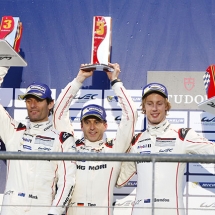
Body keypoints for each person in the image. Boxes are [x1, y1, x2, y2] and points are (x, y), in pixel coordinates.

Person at [116, 82, 215, 215]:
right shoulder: (136, 140)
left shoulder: (182, 135)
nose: (154, 108)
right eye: (150, 103)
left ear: (166, 106)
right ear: (143, 107)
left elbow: (212, 151)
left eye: (159, 103)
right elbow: (119, 180)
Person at [53, 63, 138, 215]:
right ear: (81, 125)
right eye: (87, 122)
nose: (92, 127)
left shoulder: (114, 149)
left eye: (96, 122)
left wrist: (115, 82)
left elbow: (131, 115)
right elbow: (58, 113)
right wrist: (79, 80)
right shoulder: (71, 147)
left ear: (105, 125)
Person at [0, 67, 76, 215]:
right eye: (29, 100)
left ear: (50, 104)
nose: (33, 105)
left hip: (42, 210)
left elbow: (68, 182)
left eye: (38, 100)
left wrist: (55, 212)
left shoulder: (62, 139)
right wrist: (3, 65)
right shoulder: (14, 132)